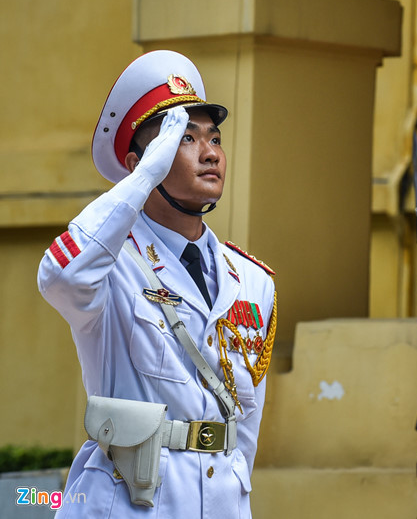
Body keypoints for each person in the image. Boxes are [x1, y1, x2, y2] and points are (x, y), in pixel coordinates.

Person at [38, 51, 277, 517]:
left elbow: (245, 422)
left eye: (214, 138)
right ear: (138, 161)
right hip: (131, 501)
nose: (210, 152)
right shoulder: (109, 264)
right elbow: (59, 274)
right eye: (184, 139)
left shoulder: (251, 280)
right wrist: (145, 175)